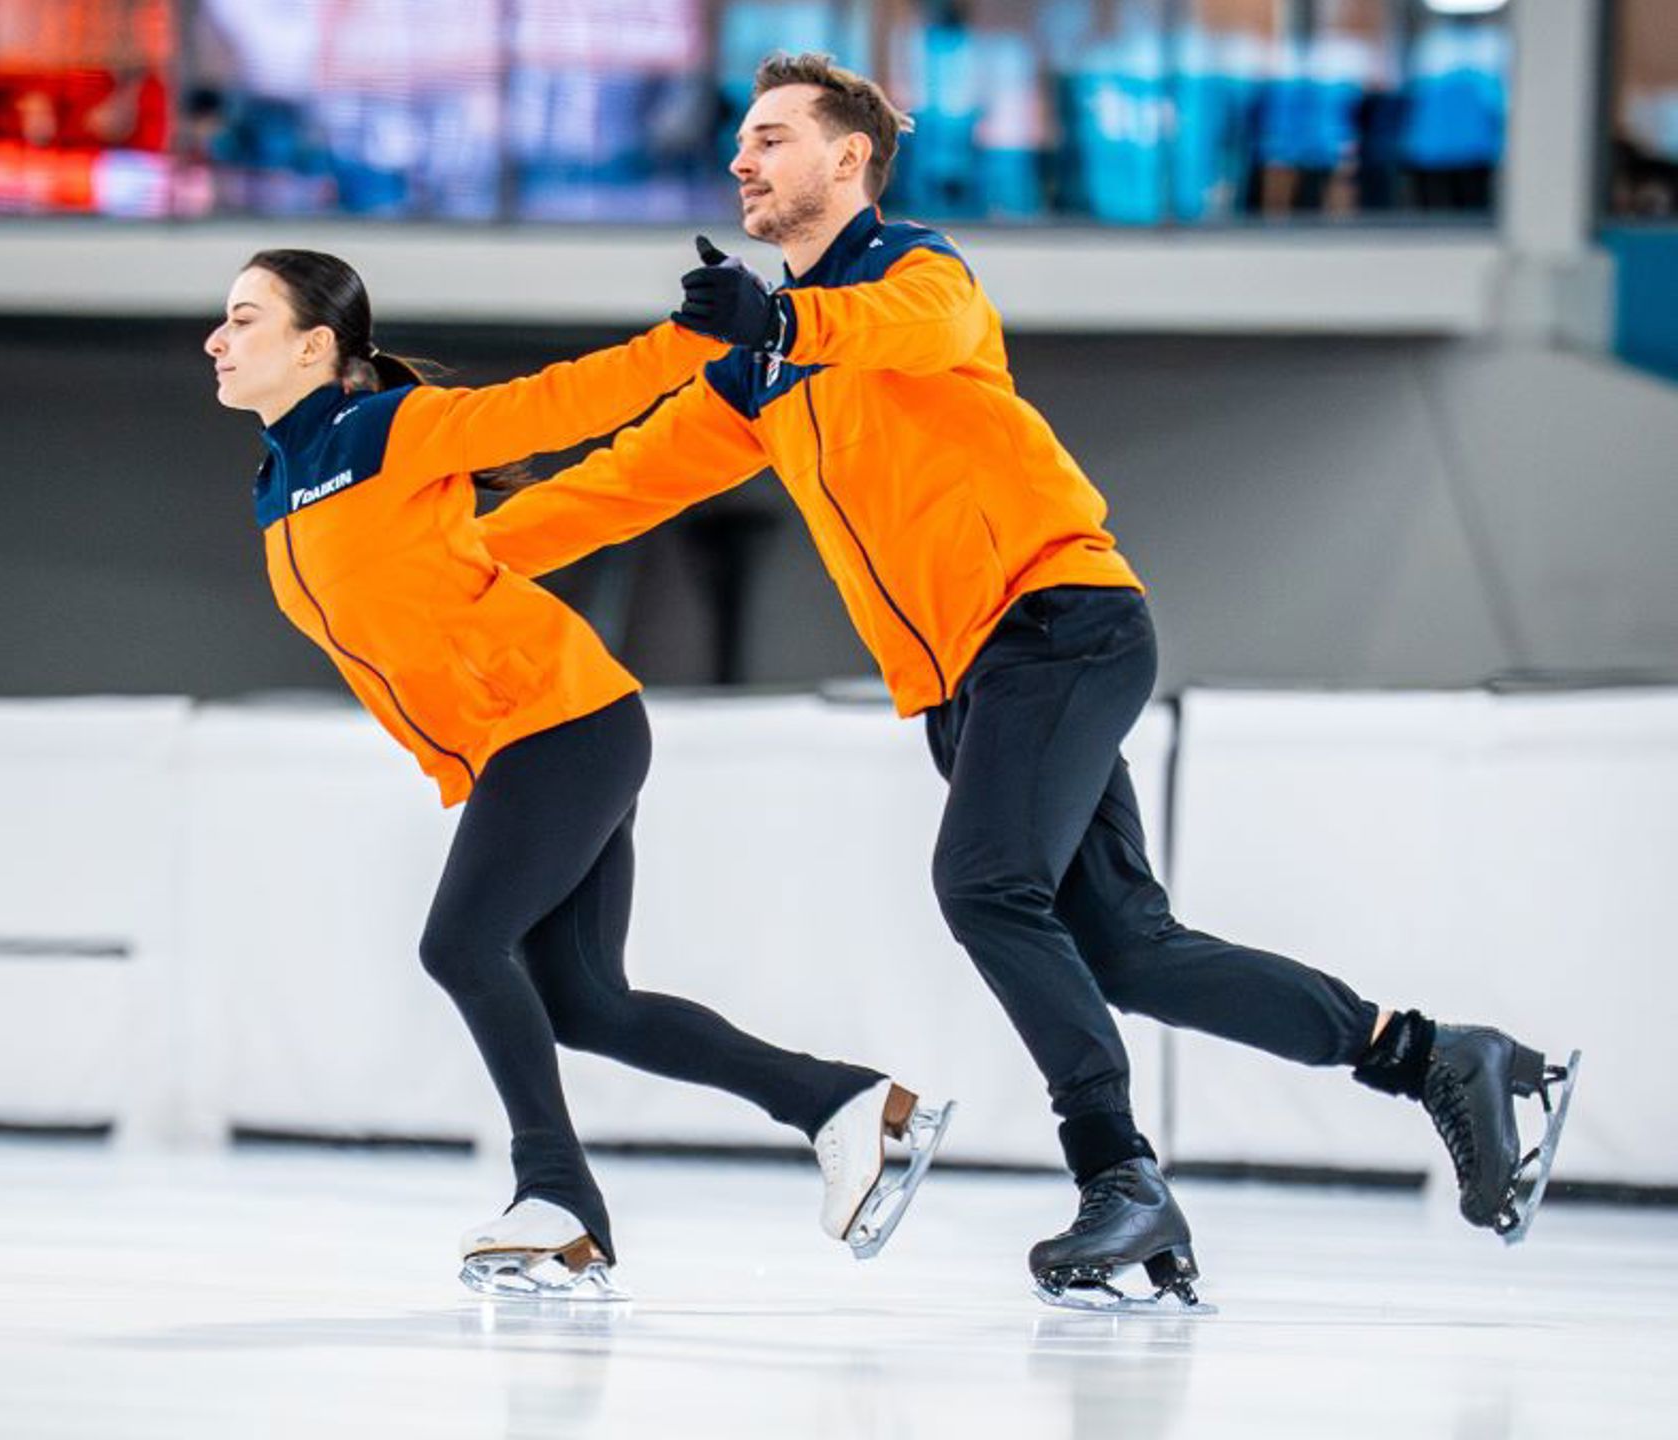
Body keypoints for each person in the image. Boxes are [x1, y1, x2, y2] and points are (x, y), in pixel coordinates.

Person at [476, 54, 1579, 1311]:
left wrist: (783, 318)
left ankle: (1117, 1176)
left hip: (1057, 622)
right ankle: (1436, 1059)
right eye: (742, 142)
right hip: (974, 680)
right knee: (1131, 951)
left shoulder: (912, 272)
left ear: (849, 160)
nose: (744, 159)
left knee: (987, 886)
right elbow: (620, 482)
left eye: (772, 138)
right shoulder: (761, 375)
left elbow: (918, 330)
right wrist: (447, 556)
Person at [206, 247, 953, 1299]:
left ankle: (557, 1200)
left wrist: (697, 337)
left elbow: (558, 404)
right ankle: (844, 1105)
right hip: (529, 737)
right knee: (587, 1004)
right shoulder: (274, 484)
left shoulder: (385, 431)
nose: (218, 339)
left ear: (315, 346)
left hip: (559, 723)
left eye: (243, 319)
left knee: (461, 944)